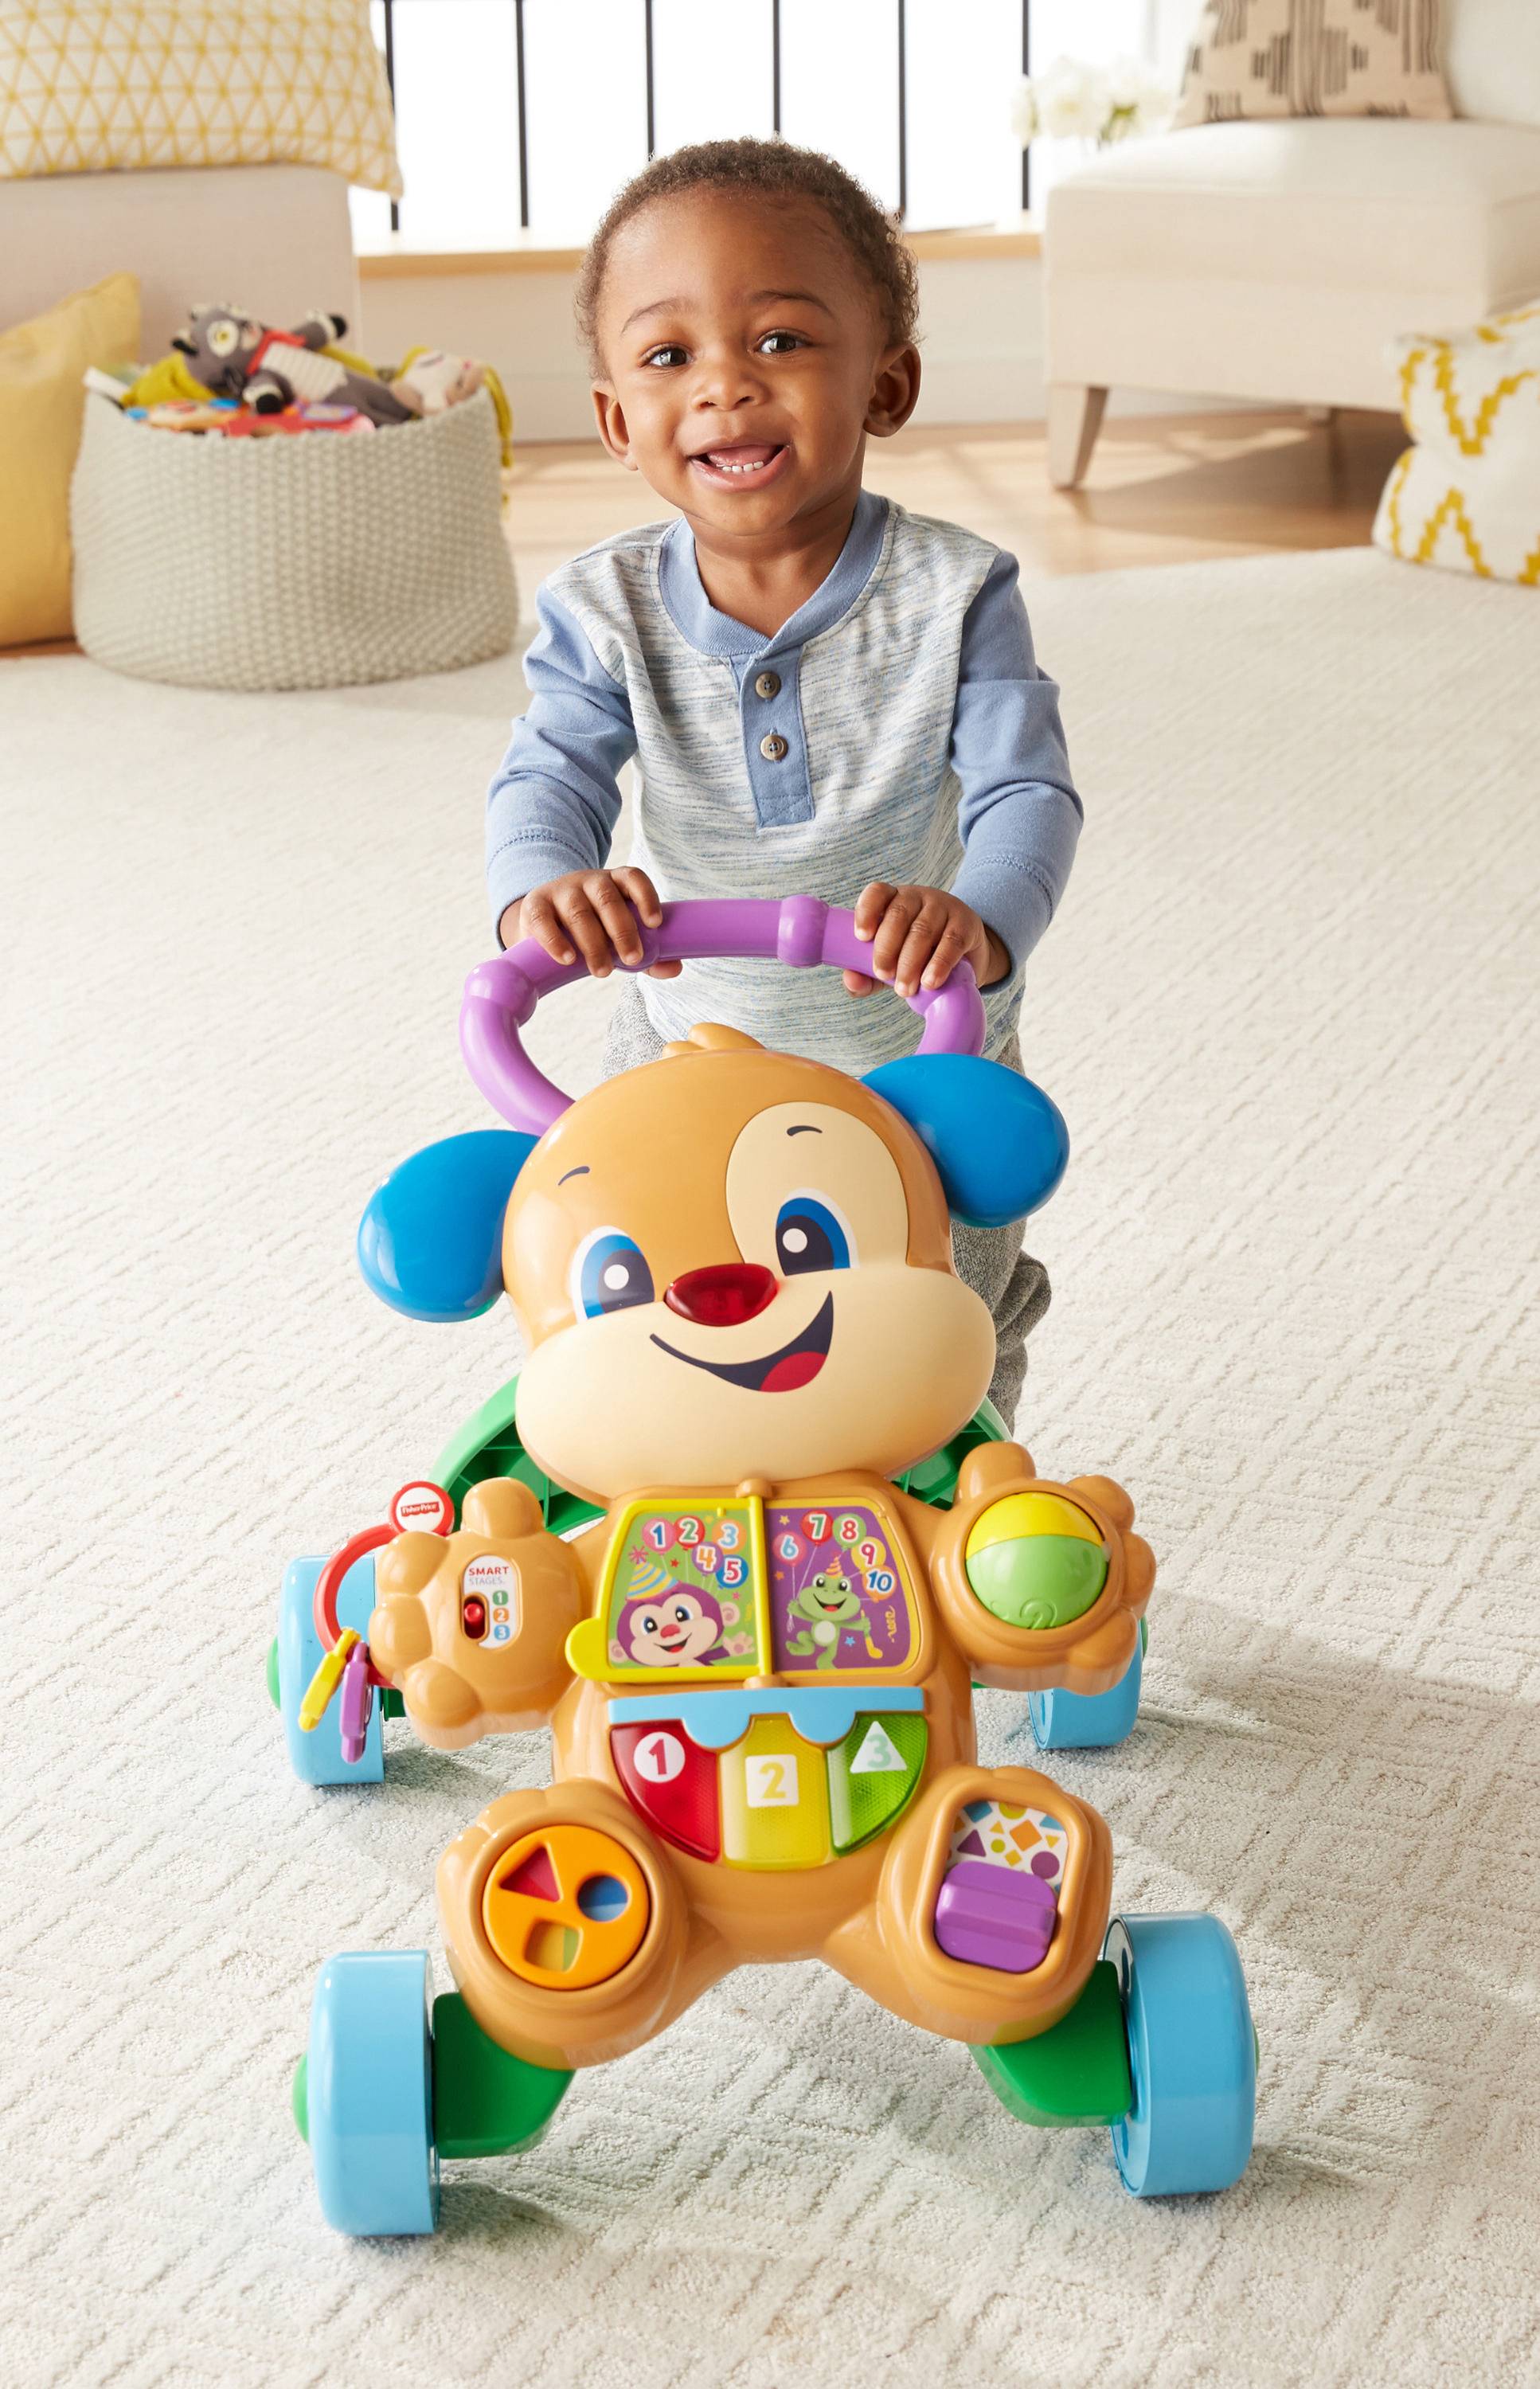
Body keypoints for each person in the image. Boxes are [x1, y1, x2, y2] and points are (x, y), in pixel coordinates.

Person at [485, 138, 1081, 1423]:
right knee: (662, 1311)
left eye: (780, 341)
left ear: (885, 383)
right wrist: (545, 891)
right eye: (668, 356)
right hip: (684, 1052)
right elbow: (548, 772)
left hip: (915, 1054)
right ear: (615, 421)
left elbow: (1025, 794)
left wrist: (977, 923)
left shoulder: (955, 592)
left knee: (935, 1324)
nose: (725, 386)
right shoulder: (602, 607)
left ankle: (965, 1484)